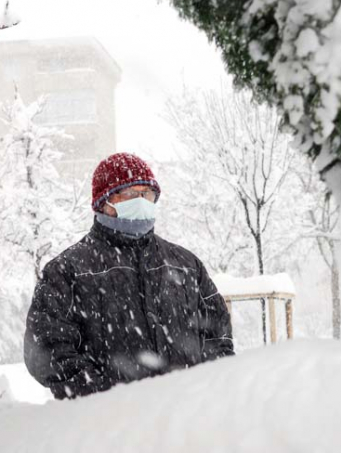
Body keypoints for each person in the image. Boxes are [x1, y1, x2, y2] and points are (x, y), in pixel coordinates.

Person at [24, 152, 234, 399]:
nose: (141, 201)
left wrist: (204, 388)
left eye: (147, 194)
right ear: (103, 202)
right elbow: (46, 351)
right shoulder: (68, 271)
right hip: (112, 426)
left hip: (186, 417)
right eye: (130, 194)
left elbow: (218, 336)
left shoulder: (186, 265)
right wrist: (102, 395)